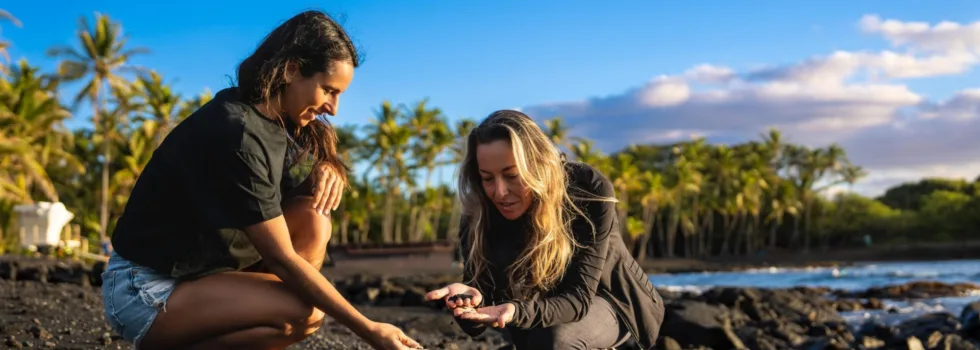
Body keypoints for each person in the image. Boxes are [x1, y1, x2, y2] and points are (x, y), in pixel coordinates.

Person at [101, 11, 421, 350]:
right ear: (292, 69)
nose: (334, 108)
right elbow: (282, 258)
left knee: (314, 218)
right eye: (329, 90)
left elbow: (304, 191)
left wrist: (329, 167)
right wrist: (370, 329)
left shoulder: (276, 124)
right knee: (304, 312)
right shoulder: (238, 133)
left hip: (202, 276)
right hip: (143, 289)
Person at [425, 110, 665, 350]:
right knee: (535, 336)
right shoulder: (478, 211)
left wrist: (517, 311)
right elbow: (477, 321)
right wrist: (468, 303)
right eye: (487, 178)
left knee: (553, 340)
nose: (499, 192)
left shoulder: (586, 189)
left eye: (512, 176)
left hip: (613, 301)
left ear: (538, 166)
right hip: (535, 309)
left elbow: (577, 300)